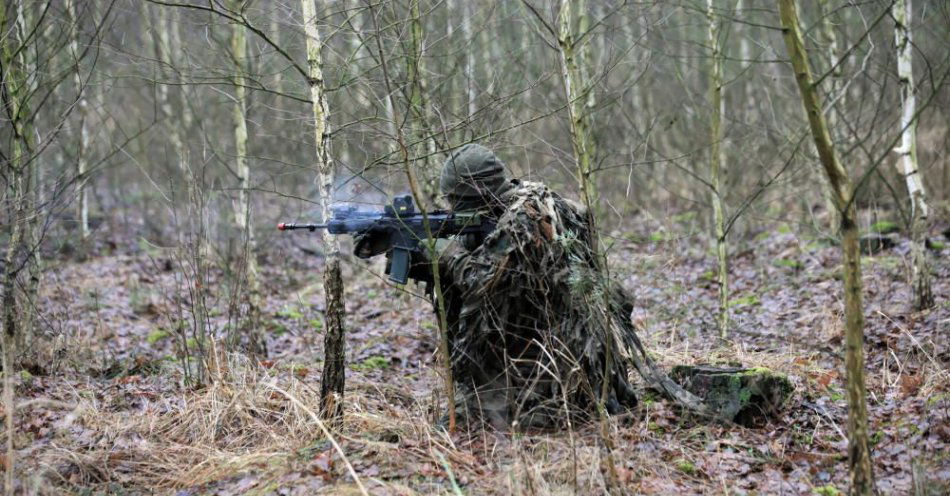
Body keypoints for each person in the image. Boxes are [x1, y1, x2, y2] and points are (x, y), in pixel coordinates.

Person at [357, 144, 702, 429]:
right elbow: (479, 277)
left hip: (554, 365)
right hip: (538, 345)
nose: (450, 208)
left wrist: (438, 250)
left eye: (456, 202)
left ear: (477, 195)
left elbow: (479, 280)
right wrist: (409, 253)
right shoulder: (530, 204)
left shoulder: (524, 220)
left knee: (475, 421)